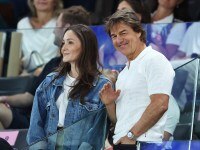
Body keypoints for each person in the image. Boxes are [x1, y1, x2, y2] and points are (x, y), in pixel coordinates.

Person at [0, 6, 91, 130]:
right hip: (30, 118)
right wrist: (3, 98)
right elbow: (29, 97)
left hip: (42, 126)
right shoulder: (54, 63)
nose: (53, 31)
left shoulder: (77, 69)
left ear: (66, 28)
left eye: (56, 25)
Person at [100, 9, 175, 149]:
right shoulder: (123, 73)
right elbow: (119, 120)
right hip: (125, 142)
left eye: (123, 33)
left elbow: (160, 104)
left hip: (143, 144)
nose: (118, 40)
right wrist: (109, 104)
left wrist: (131, 136)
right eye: (114, 36)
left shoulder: (154, 60)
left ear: (138, 32)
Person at [27, 24, 110, 148]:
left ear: (86, 47)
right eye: (63, 43)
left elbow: (96, 134)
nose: (64, 48)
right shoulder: (50, 81)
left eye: (70, 42)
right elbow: (36, 127)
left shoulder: (101, 85)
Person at [17, 0, 63, 73]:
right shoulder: (22, 24)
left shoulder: (61, 23)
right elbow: (18, 56)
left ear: (55, 2)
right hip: (27, 77)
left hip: (52, 75)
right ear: (32, 1)